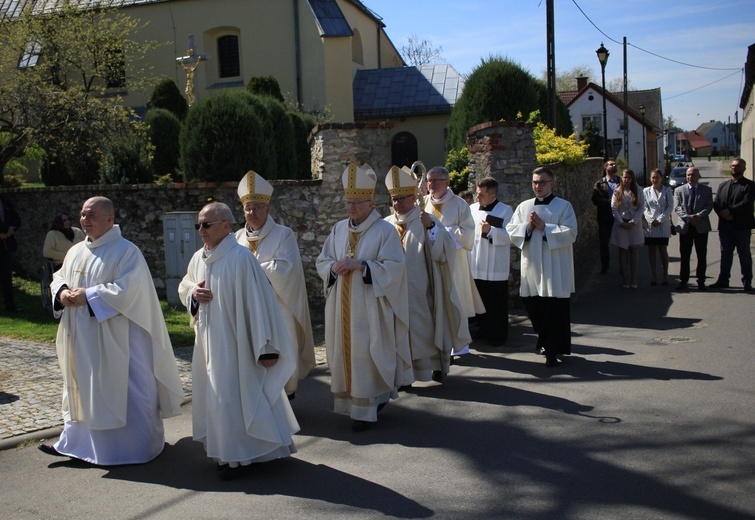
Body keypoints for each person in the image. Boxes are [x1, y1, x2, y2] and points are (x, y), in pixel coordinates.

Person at [39, 197, 184, 465]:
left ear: (109, 218)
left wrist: (89, 295)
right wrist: (62, 292)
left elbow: (129, 290)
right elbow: (59, 277)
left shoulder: (126, 251)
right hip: (81, 334)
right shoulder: (75, 251)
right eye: (83, 214)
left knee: (124, 389)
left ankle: (136, 448)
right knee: (82, 387)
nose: (85, 220)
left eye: (92, 215)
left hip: (119, 338)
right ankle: (77, 445)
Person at [179, 202, 299, 480]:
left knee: (236, 397)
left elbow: (261, 305)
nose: (201, 230)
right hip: (208, 343)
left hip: (238, 346)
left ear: (225, 226)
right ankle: (226, 453)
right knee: (218, 399)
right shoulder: (199, 258)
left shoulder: (241, 258)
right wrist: (193, 296)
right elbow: (185, 285)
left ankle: (240, 456)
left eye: (206, 224)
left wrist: (266, 348)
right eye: (199, 225)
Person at [316, 163, 412, 432]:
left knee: (368, 353)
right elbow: (322, 260)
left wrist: (361, 266)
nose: (351, 208)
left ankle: (369, 407)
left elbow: (396, 267)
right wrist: (332, 268)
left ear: (371, 204)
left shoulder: (384, 231)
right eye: (348, 203)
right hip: (341, 306)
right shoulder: (338, 229)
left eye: (357, 203)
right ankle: (353, 406)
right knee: (346, 354)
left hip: (370, 307)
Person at [384, 166, 470, 384]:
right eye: (394, 199)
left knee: (425, 328)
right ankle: (404, 376)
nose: (397, 203)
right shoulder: (386, 224)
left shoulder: (426, 219)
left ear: (414, 197)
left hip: (422, 288)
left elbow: (445, 249)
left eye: (402, 198)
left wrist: (432, 228)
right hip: (394, 289)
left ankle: (433, 366)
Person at [234, 171, 316, 399]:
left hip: (277, 306)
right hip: (247, 308)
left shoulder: (283, 234)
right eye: (248, 208)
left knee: (280, 349)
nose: (253, 212)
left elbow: (285, 269)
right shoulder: (236, 238)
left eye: (258, 207)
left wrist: (251, 269)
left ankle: (285, 393)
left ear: (268, 209)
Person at [506, 167, 577, 368]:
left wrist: (545, 229)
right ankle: (546, 342)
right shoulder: (524, 206)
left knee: (554, 310)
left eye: (542, 182)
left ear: (552, 184)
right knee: (534, 306)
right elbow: (512, 230)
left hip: (556, 266)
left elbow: (571, 233)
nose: (538, 186)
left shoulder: (564, 206)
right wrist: (527, 228)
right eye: (535, 182)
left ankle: (551, 350)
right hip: (533, 265)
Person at [425, 166, 484, 357]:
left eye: (436, 180)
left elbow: (468, 233)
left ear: (447, 182)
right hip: (430, 260)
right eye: (429, 180)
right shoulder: (423, 203)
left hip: (454, 261)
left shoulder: (459, 204)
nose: (431, 184)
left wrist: (442, 232)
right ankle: (439, 343)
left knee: (457, 300)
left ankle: (460, 345)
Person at [469, 177, 513, 346]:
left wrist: (491, 230)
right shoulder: (472, 209)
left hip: (495, 266)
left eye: (480, 194)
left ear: (493, 195)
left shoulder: (505, 211)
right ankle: (483, 329)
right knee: (480, 301)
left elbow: (510, 236)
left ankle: (498, 335)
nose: (477, 196)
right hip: (476, 263)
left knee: (495, 302)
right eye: (477, 193)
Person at [711, 158, 754, 292]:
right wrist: (722, 214)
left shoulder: (749, 185)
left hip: (742, 227)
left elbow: (746, 203)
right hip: (725, 227)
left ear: (744, 168)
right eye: (733, 166)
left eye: (738, 166)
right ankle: (723, 280)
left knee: (744, 255)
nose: (734, 168)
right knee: (725, 254)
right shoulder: (723, 186)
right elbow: (717, 203)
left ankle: (747, 281)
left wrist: (730, 212)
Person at [673, 167, 713, 291]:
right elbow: (677, 207)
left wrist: (698, 216)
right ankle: (683, 281)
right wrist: (688, 217)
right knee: (685, 255)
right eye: (688, 175)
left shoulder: (706, 190)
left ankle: (701, 281)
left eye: (693, 175)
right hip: (686, 226)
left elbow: (709, 206)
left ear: (698, 176)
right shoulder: (679, 190)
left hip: (701, 226)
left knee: (701, 255)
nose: (690, 177)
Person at [610, 169, 645, 289]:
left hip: (634, 224)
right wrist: (621, 222)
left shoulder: (638, 190)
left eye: (628, 177)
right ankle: (625, 278)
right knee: (623, 251)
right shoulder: (617, 191)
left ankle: (633, 277)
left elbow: (641, 207)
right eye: (624, 177)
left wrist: (633, 221)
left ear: (632, 178)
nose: (626, 180)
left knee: (634, 250)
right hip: (621, 224)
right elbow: (614, 208)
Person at [642, 169, 673, 286]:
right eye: (653, 178)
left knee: (663, 250)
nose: (655, 180)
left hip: (663, 224)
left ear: (661, 178)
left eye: (657, 177)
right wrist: (651, 219)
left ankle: (665, 273)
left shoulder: (667, 190)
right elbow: (644, 207)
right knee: (652, 250)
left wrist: (660, 219)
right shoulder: (646, 191)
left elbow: (670, 206)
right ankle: (654, 274)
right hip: (651, 226)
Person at [592, 160, 620, 274]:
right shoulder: (600, 183)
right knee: (604, 243)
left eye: (614, 164)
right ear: (605, 168)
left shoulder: (621, 181)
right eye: (611, 164)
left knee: (622, 242)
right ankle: (605, 266)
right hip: (605, 217)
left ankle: (623, 266)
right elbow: (595, 199)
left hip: (621, 216)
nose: (614, 166)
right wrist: (609, 202)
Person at [0, 195, 21, 314]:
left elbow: (16, 219)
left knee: (6, 278)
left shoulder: (5, 201)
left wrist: (11, 229)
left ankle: (10, 306)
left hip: (6, 246)